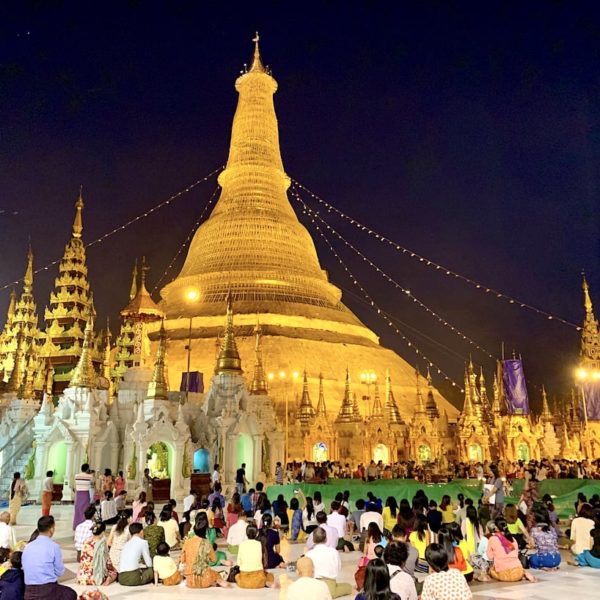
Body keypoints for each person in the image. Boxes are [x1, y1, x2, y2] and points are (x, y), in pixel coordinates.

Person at [22, 516, 77, 600]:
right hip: (47, 591)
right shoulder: (54, 546)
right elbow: (60, 572)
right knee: (71, 594)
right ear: (51, 529)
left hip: (28, 591)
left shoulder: (28, 547)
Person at [179, 515, 229, 588]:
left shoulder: (187, 542)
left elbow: (182, 560)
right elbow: (214, 560)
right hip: (205, 579)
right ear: (205, 531)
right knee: (217, 574)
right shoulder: (207, 543)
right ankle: (217, 581)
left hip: (189, 581)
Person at [305, 526, 352, 598]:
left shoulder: (308, 554)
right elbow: (338, 568)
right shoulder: (333, 552)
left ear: (313, 540)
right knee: (348, 587)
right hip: (330, 584)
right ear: (326, 539)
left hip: (313, 584)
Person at [486, 517, 537, 582]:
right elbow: (515, 554)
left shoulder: (492, 539)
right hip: (518, 572)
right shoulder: (512, 539)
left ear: (495, 528)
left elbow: (490, 556)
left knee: (490, 570)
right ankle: (524, 574)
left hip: (503, 574)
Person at [236, 523, 275, 588]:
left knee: (237, 576)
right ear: (257, 534)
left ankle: (247, 582)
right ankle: (266, 582)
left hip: (244, 577)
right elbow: (263, 561)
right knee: (270, 575)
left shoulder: (241, 544)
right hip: (258, 576)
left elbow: (238, 563)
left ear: (246, 534)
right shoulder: (259, 544)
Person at [73, 464, 94, 530]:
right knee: (85, 509)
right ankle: (84, 524)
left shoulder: (76, 476)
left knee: (78, 510)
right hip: (85, 494)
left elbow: (75, 486)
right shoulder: (90, 476)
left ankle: (76, 525)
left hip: (78, 494)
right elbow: (93, 483)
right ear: (87, 469)